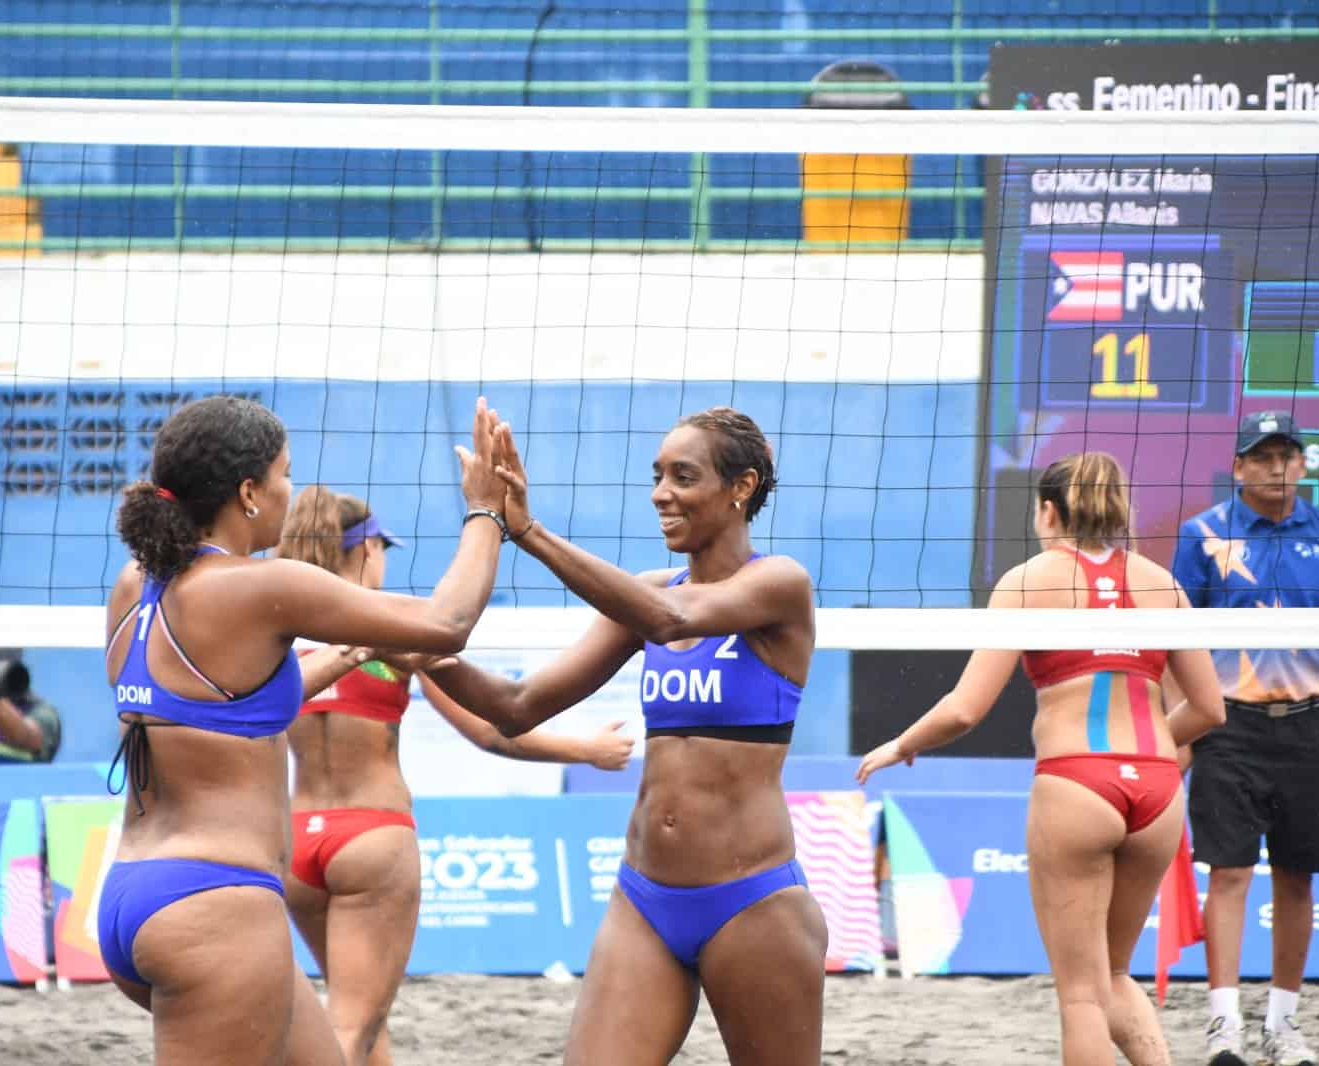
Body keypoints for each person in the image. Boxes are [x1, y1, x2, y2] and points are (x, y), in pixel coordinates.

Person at [98, 393, 511, 1066]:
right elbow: (446, 622)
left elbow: (220, 708)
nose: (294, 489)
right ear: (250, 491)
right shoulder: (262, 588)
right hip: (215, 906)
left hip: (134, 895)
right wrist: (487, 511)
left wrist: (343, 653)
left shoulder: (134, 583)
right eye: (286, 473)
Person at [423, 407, 828, 1066]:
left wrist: (527, 530)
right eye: (658, 475)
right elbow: (518, 708)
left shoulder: (778, 585)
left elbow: (673, 620)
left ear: (742, 487)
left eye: (683, 476)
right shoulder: (648, 592)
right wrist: (428, 656)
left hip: (751, 901)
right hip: (644, 899)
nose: (660, 493)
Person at [857, 451, 1227, 1066]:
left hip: (1077, 782)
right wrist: (1150, 747)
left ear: (1048, 511)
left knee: (1080, 996)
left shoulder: (1029, 581)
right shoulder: (1165, 585)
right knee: (1111, 974)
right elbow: (1211, 710)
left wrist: (902, 744)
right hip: (1159, 789)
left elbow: (965, 708)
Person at [276, 484, 635, 1066]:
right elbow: (491, 728)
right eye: (383, 547)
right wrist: (585, 749)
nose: (387, 559)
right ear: (364, 549)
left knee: (365, 1016)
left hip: (296, 844)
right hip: (370, 836)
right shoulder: (389, 629)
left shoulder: (279, 632)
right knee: (352, 1024)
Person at [1172, 411, 1319, 1066]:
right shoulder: (1202, 533)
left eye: (1286, 453)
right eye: (1260, 456)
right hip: (1228, 724)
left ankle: (1283, 1026)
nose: (1275, 465)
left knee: (1297, 878)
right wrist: (1177, 727)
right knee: (1228, 873)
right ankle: (1224, 1025)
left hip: (1314, 722)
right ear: (1238, 467)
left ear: (1304, 464)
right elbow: (1181, 638)